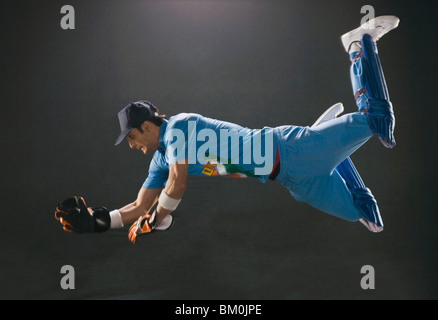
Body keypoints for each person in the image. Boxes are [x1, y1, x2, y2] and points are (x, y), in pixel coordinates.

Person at [55, 16, 400, 243]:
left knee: (379, 122)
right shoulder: (161, 160)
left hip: (290, 149)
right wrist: (98, 221)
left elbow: (178, 183)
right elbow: (136, 205)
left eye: (131, 136)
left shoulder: (179, 130)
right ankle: (330, 143)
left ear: (146, 126)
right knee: (369, 218)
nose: (131, 145)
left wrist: (157, 217)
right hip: (294, 180)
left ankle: (358, 45)